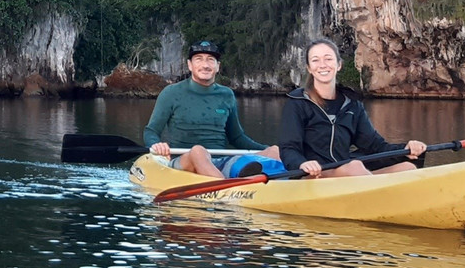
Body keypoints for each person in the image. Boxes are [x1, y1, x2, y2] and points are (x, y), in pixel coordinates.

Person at [278, 38, 426, 178]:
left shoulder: (352, 104)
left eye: (328, 59)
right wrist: (302, 164)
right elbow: (289, 148)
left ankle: (379, 192)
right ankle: (377, 194)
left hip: (345, 173)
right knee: (354, 167)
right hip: (313, 176)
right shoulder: (297, 103)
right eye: (315, 60)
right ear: (309, 68)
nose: (322, 65)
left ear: (339, 65)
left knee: (407, 168)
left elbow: (374, 145)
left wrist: (405, 149)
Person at [144, 39, 281, 177]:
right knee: (198, 151)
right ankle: (225, 189)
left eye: (210, 60)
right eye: (199, 59)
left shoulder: (226, 95)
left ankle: (288, 184)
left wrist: (268, 150)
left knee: (275, 151)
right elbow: (151, 131)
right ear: (190, 65)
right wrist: (157, 145)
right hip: (183, 161)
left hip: (220, 161)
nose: (205, 65)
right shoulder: (171, 93)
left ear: (217, 66)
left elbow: (237, 137)